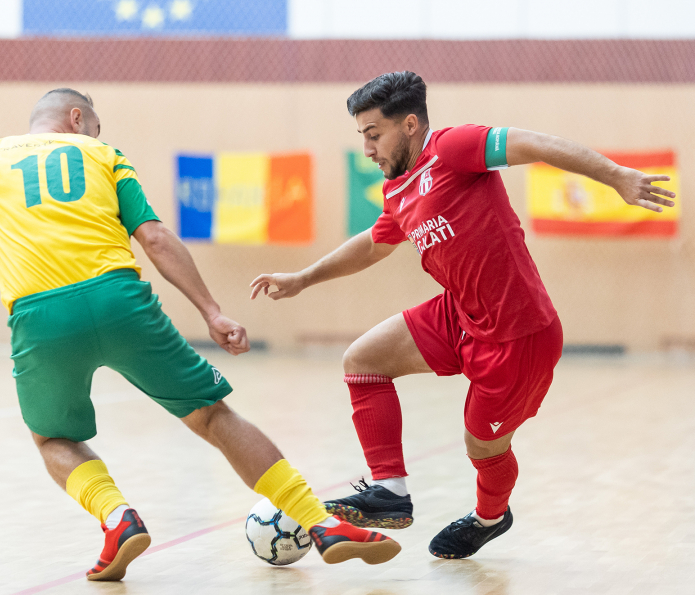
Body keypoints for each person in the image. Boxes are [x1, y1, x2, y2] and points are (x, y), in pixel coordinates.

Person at [0, 88, 400, 581]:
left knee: (53, 438)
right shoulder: (104, 156)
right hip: (121, 300)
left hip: (39, 317)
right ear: (78, 119)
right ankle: (319, 521)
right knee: (215, 418)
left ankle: (118, 518)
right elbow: (157, 238)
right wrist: (212, 311)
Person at [250, 71, 675, 559]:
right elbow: (373, 244)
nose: (368, 149)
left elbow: (534, 143)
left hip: (518, 335)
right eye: (362, 137)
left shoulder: (453, 148)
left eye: (374, 135)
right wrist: (303, 278)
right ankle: (390, 492)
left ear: (410, 125)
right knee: (363, 359)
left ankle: (490, 517)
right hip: (460, 313)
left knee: (483, 448)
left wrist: (617, 175)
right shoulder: (398, 189)